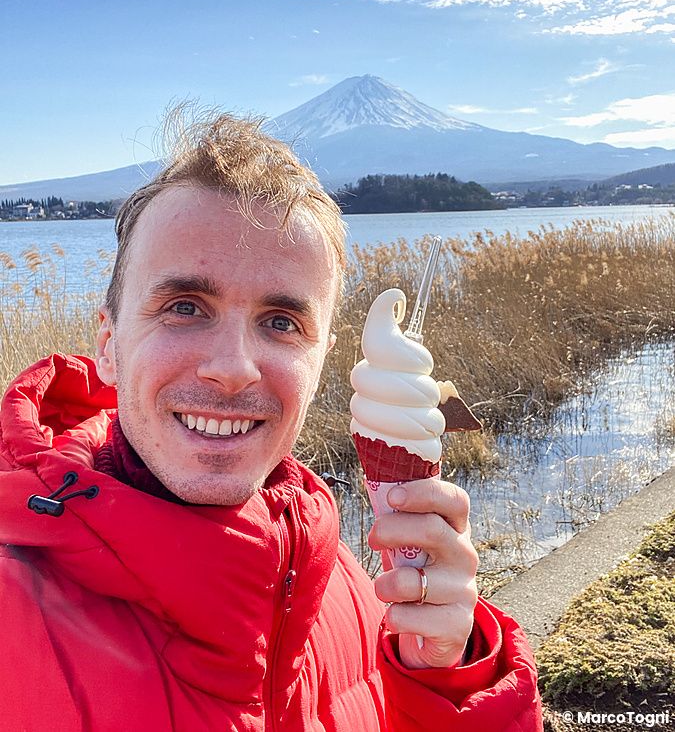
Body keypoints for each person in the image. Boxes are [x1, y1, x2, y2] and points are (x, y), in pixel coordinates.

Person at [0, 110, 541, 731]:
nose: (232, 369)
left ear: (320, 363)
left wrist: (445, 677)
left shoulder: (345, 586)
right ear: (108, 343)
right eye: (183, 307)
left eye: (282, 322)